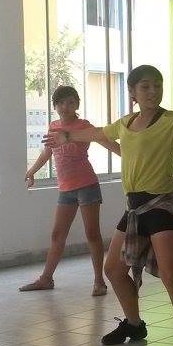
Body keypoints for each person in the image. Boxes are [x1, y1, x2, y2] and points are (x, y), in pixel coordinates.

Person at [41, 65, 173, 346]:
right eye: (145, 86)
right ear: (133, 92)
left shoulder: (171, 120)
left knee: (171, 275)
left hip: (161, 205)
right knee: (113, 269)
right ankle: (135, 325)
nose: (153, 91)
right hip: (135, 208)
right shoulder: (126, 123)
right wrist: (67, 136)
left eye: (157, 85)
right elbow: (98, 133)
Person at [21, 86, 118, 296]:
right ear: (55, 106)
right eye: (61, 102)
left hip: (87, 185)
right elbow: (47, 153)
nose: (66, 106)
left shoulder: (83, 126)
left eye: (71, 102)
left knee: (92, 234)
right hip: (66, 189)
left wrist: (130, 154)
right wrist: (31, 171)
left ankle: (99, 281)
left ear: (77, 105)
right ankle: (46, 279)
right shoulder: (54, 126)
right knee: (57, 235)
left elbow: (105, 141)